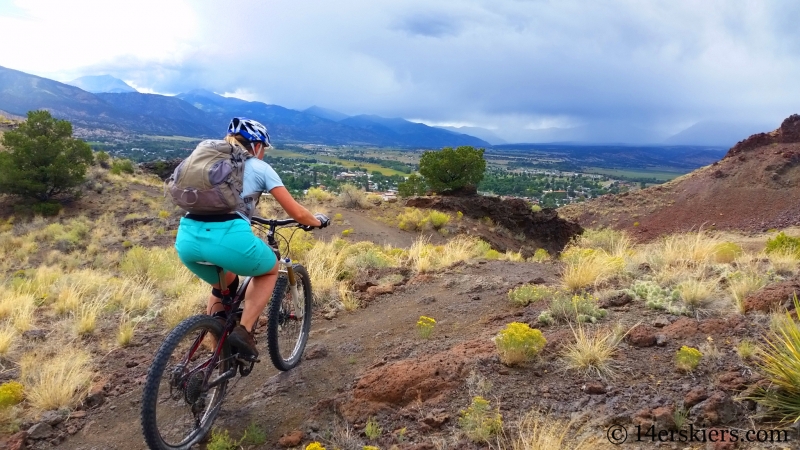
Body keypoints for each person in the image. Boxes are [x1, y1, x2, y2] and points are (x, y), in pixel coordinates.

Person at [174, 117, 329, 359]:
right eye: (264, 148)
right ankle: (243, 332)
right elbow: (297, 212)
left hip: (187, 239)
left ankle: (218, 353)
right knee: (269, 269)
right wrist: (318, 221)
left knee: (223, 285)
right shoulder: (258, 167)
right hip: (228, 237)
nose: (264, 153)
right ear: (257, 146)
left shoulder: (208, 162)